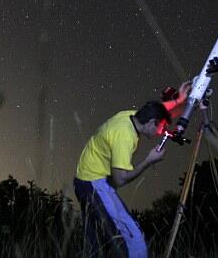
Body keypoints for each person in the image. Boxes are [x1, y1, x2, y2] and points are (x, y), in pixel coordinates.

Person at [74, 82, 190, 257]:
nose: (161, 132)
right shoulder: (125, 137)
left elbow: (157, 109)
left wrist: (179, 100)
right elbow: (120, 179)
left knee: (96, 244)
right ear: (152, 123)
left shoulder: (131, 116)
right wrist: (148, 161)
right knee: (130, 238)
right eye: (160, 127)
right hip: (93, 183)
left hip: (87, 178)